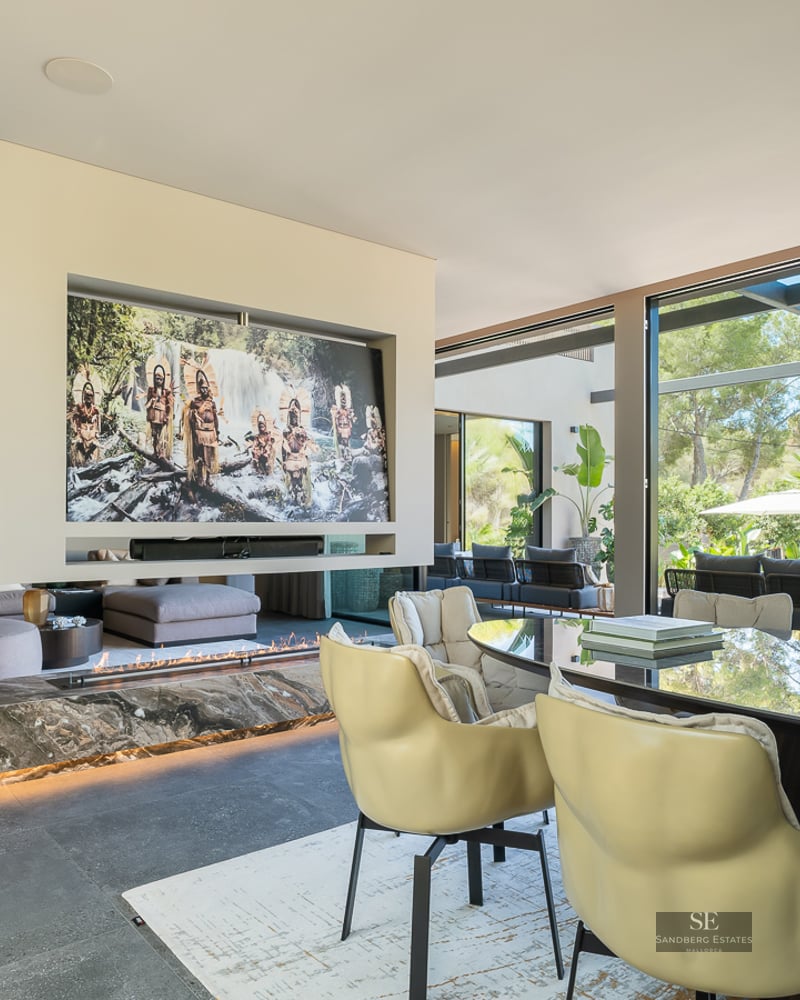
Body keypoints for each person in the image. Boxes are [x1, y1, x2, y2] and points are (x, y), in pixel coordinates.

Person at [184, 369, 219, 487]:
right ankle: (199, 476)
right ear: (199, 389)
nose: (204, 390)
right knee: (199, 455)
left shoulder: (212, 403)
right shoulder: (195, 402)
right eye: (202, 388)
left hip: (210, 432)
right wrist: (193, 432)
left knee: (209, 456)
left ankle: (208, 477)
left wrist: (217, 431)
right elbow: (190, 417)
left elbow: (215, 417)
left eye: (206, 387)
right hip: (199, 432)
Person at [281, 398, 315, 506]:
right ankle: (292, 497)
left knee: (300, 481)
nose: (294, 418)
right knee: (292, 481)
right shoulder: (286, 431)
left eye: (295, 416)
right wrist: (283, 461)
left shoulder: (302, 430)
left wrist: (306, 458)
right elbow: (284, 447)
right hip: (290, 458)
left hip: (300, 458)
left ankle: (302, 497)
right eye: (292, 416)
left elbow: (305, 445)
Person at [144, 363, 173, 459]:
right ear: (154, 379)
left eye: (161, 379)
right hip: (153, 415)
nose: (159, 381)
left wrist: (169, 415)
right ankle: (155, 451)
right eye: (157, 379)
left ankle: (162, 452)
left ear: (163, 380)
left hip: (162, 416)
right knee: (154, 434)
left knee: (162, 435)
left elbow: (169, 404)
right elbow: (147, 402)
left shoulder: (166, 391)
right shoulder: (151, 390)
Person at [69, 380, 101, 467]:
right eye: (87, 396)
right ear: (84, 396)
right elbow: (74, 417)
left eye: (91, 396)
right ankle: (79, 460)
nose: (89, 398)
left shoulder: (95, 409)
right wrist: (75, 429)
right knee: (78, 442)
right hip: (81, 429)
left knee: (94, 444)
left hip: (91, 431)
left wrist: (97, 431)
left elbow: (98, 420)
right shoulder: (79, 407)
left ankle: (92, 459)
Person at [330, 385, 356, 461]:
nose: (343, 399)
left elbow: (351, 417)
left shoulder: (348, 410)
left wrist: (352, 417)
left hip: (347, 427)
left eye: (344, 397)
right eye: (341, 398)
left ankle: (348, 454)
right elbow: (335, 416)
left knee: (346, 441)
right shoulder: (338, 410)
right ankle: (340, 455)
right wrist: (334, 413)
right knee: (341, 441)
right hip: (340, 428)